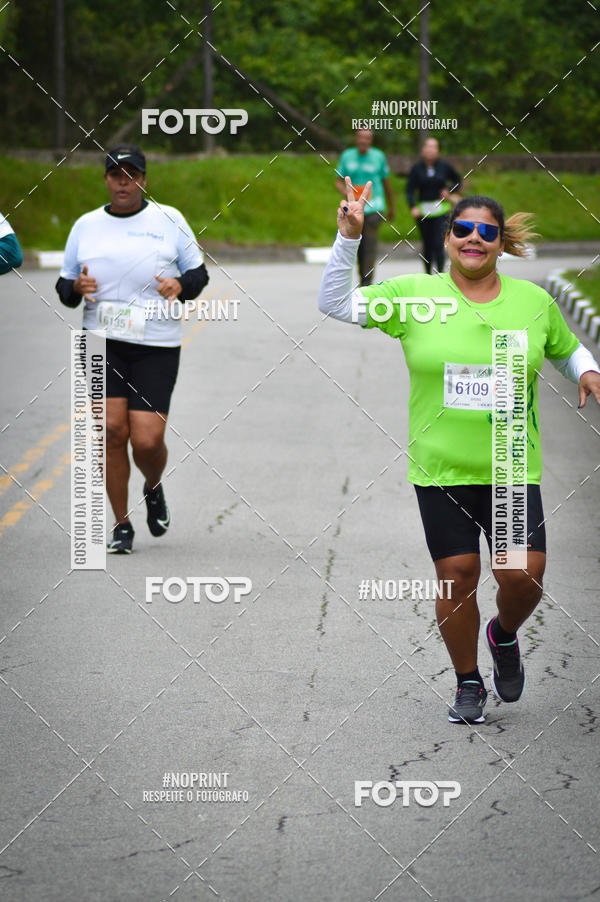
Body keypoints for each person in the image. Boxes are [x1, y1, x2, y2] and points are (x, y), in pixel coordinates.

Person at [318, 179, 600, 725]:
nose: (474, 239)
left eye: (486, 232)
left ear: (501, 244)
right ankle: (468, 681)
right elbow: (333, 302)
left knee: (521, 577)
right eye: (464, 230)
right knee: (459, 575)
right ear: (448, 238)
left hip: (510, 462)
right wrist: (348, 238)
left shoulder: (533, 302)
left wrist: (588, 370)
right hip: (441, 469)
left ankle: (504, 633)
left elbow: (567, 349)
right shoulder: (413, 297)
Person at [56, 144, 209, 554]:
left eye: (131, 174)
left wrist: (181, 285)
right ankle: (121, 524)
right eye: (115, 175)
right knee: (110, 430)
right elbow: (65, 288)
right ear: (105, 179)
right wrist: (75, 288)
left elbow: (198, 275)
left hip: (155, 344)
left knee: (146, 440)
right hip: (100, 342)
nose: (123, 182)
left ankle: (153, 486)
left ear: (144, 179)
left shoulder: (169, 219)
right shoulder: (85, 226)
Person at [336, 129, 394, 286]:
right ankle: (357, 278)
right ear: (356, 139)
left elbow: (386, 183)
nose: (363, 141)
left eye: (367, 138)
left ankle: (366, 282)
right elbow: (338, 181)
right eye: (361, 138)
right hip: (353, 210)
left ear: (371, 140)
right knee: (356, 245)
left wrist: (391, 206)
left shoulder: (378, 156)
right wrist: (348, 194)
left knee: (369, 245)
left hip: (374, 208)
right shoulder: (347, 156)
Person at [406, 137, 461, 274]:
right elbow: (409, 190)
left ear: (438, 150)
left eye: (434, 147)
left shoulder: (444, 166)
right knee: (427, 245)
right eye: (427, 147)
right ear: (423, 150)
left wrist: (449, 190)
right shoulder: (417, 168)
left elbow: (458, 181)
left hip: (441, 210)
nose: (430, 150)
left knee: (438, 243)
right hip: (423, 211)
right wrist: (413, 206)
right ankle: (428, 275)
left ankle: (440, 274)